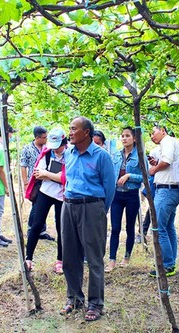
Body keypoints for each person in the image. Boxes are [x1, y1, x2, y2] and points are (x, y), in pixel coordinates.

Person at [59, 116, 115, 322]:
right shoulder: (69, 154)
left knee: (93, 258)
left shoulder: (101, 156)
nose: (70, 132)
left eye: (74, 129)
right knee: (69, 256)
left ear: (87, 133)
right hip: (69, 206)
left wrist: (99, 210)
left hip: (91, 208)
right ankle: (74, 298)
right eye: (70, 128)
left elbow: (109, 188)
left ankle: (95, 303)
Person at [25, 128, 67, 274]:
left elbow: (66, 178)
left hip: (62, 197)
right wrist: (56, 177)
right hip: (45, 193)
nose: (55, 150)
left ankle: (60, 261)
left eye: (58, 146)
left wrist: (48, 174)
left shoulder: (70, 155)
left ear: (64, 142)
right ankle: (28, 258)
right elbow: (38, 174)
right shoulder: (47, 153)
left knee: (61, 228)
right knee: (36, 225)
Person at [148, 124, 179, 277]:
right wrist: (157, 165)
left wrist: (154, 169)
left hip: (167, 190)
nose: (151, 136)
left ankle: (167, 264)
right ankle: (170, 262)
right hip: (171, 189)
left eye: (153, 132)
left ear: (163, 131)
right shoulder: (168, 143)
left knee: (158, 227)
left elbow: (167, 162)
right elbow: (167, 163)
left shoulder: (167, 141)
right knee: (168, 227)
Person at [105, 127, 143, 272]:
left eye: (127, 136)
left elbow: (145, 177)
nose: (124, 138)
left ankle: (127, 257)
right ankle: (112, 260)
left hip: (131, 194)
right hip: (116, 194)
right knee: (115, 228)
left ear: (134, 138)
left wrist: (129, 176)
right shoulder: (116, 155)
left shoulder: (139, 156)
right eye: (122, 136)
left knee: (130, 227)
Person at [20, 126, 54, 240]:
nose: (46, 139)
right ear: (37, 137)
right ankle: (31, 228)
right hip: (34, 182)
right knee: (36, 206)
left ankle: (41, 230)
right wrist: (25, 183)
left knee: (43, 206)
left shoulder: (48, 148)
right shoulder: (27, 149)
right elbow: (23, 166)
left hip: (46, 180)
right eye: (44, 137)